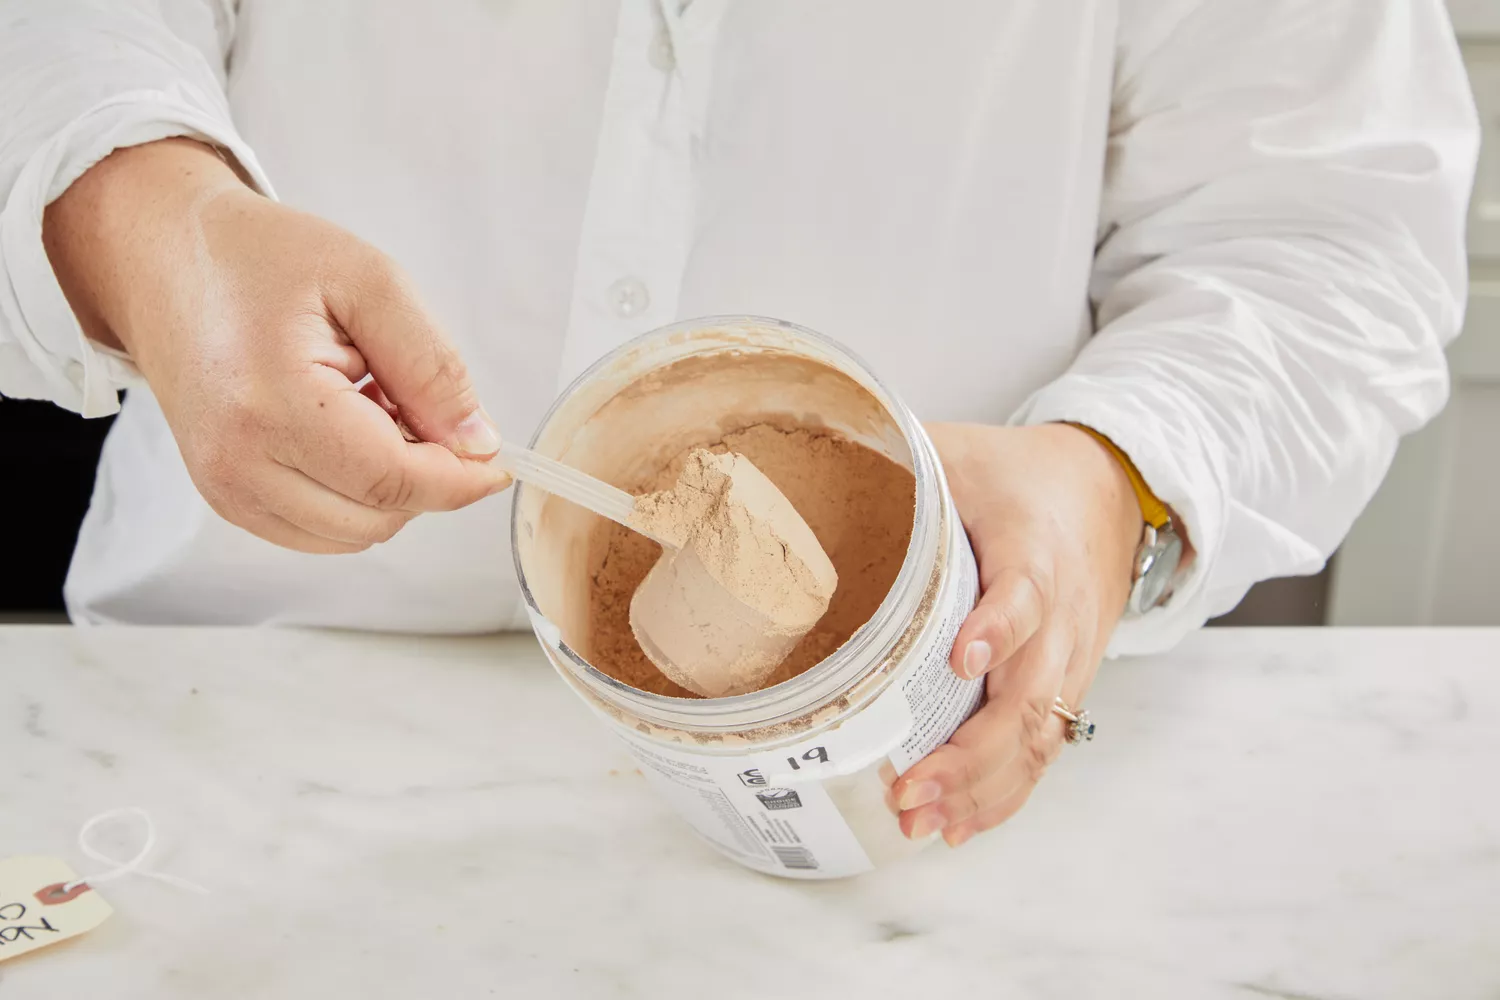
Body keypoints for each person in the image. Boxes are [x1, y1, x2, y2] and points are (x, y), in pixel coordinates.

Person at [0, 1, 1477, 848]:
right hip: (222, 753)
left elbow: (1327, 231)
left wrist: (1112, 483)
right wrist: (152, 225)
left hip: (918, 792)